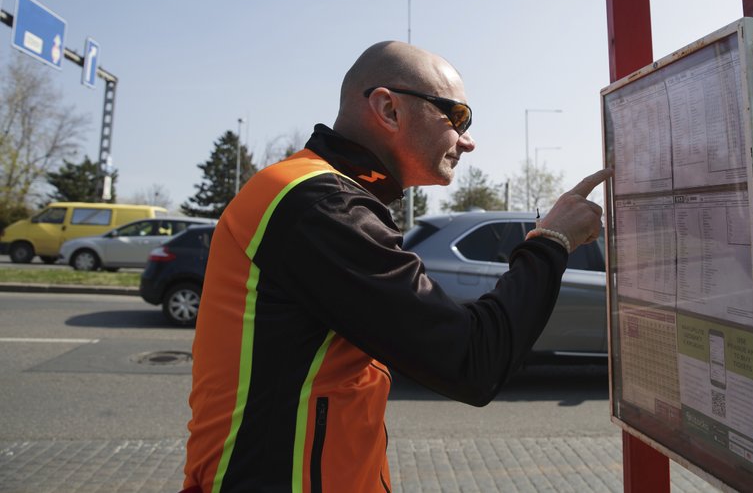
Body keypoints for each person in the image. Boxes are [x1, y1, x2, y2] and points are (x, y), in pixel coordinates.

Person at [181, 40, 610, 493]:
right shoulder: (319, 204)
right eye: (458, 116)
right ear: (388, 109)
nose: (467, 139)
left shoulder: (315, 194)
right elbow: (473, 360)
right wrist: (551, 241)